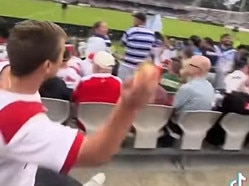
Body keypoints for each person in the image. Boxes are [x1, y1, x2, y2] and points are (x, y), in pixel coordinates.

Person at [0, 20, 159, 186]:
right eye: (62, 54)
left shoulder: (8, 73)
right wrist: (129, 106)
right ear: (47, 66)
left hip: (21, 166)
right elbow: (96, 153)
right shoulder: (18, 121)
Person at [162, 56, 214, 146]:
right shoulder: (210, 86)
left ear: (197, 70)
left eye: (189, 65)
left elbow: (171, 107)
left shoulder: (188, 88)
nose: (185, 67)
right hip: (198, 125)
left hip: (181, 125)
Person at [119, 12, 155, 81]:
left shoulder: (131, 30)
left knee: (122, 87)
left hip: (127, 66)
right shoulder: (152, 34)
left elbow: (122, 43)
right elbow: (151, 49)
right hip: (141, 67)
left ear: (138, 20)